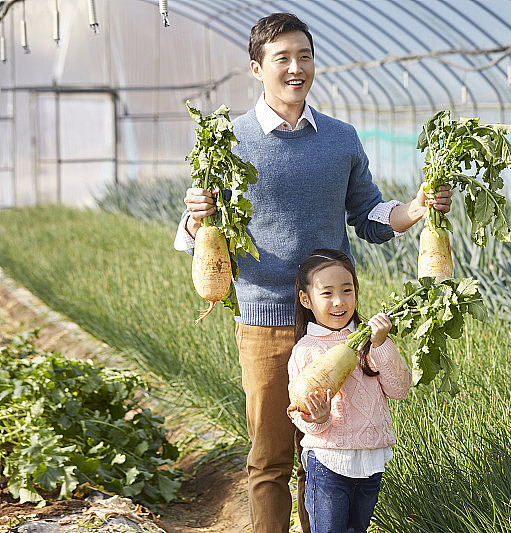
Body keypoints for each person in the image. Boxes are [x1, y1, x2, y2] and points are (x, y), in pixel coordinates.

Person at [174, 12, 451, 533]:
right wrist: (195, 215)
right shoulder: (226, 142)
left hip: (333, 330)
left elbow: (367, 213)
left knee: (323, 456)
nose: (295, 68)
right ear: (256, 68)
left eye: (304, 56)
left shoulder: (341, 139)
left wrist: (414, 210)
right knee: (271, 458)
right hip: (265, 321)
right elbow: (191, 239)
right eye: (282, 59)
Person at [288, 249, 411, 533]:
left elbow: (399, 388)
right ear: (306, 300)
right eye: (327, 293)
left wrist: (381, 343)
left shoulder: (369, 341)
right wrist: (318, 418)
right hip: (328, 462)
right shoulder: (305, 350)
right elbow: (298, 410)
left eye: (347, 290)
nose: (339, 301)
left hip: (370, 460)